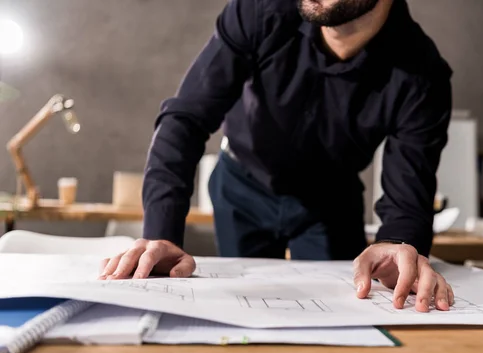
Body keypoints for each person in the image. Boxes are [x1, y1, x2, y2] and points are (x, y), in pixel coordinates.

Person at [101, 0, 455, 313]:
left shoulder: (424, 75)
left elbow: (409, 188)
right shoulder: (259, 10)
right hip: (241, 182)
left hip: (331, 201)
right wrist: (161, 233)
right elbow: (186, 119)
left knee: (347, 307)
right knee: (241, 307)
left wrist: (400, 244)